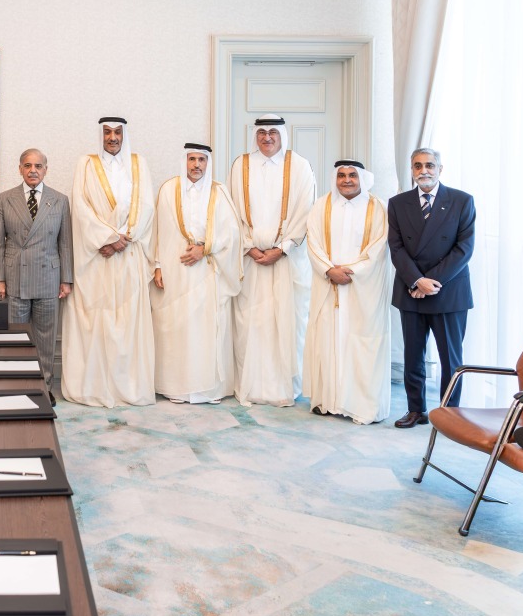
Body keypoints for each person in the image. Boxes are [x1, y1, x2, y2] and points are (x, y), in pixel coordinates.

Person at [61, 118, 156, 407]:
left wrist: (123, 238)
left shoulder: (139, 163)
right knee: (95, 320)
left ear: (125, 135)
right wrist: (106, 239)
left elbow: (147, 206)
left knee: (127, 321)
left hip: (128, 255)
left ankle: (127, 386)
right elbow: (80, 206)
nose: (112, 138)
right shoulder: (86, 164)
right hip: (95, 259)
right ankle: (93, 387)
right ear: (99, 135)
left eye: (117, 133)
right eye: (107, 132)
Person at [228, 115, 316, 407]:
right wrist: (250, 247)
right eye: (262, 133)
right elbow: (233, 211)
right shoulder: (241, 165)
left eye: (273, 133)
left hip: (287, 261)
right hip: (250, 260)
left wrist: (282, 248)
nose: (267, 138)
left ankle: (283, 389)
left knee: (286, 323)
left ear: (282, 135)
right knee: (250, 324)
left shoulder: (300, 167)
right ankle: (249, 386)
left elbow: (306, 212)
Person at [388, 147, 475, 428]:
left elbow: (464, 248)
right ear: (411, 170)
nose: (423, 170)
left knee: (451, 358)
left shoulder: (462, 201)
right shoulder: (398, 203)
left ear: (440, 169)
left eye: (429, 165)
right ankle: (416, 410)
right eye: (417, 166)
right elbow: (396, 247)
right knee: (413, 355)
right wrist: (416, 280)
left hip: (448, 291)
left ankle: (449, 414)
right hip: (411, 289)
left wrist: (430, 282)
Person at [151, 143, 242, 404]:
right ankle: (177, 387)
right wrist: (157, 265)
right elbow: (159, 230)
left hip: (207, 268)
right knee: (176, 327)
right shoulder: (169, 190)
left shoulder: (219, 192)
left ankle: (209, 389)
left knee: (207, 328)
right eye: (192, 159)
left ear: (208, 163)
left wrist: (205, 248)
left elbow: (232, 233)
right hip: (174, 268)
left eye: (202, 160)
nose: (197, 165)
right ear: (184, 161)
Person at [302, 160, 391, 424]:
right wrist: (329, 270)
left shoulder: (379, 208)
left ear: (362, 178)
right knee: (327, 339)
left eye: (352, 175)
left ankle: (362, 405)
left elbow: (378, 247)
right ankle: (326, 401)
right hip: (328, 285)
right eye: (341, 175)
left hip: (363, 288)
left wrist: (350, 271)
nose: (347, 180)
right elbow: (313, 243)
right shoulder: (321, 205)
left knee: (362, 342)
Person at [0, 149, 73, 392]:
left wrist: (66, 279)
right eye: (27, 165)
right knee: (15, 336)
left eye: (38, 165)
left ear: (46, 169)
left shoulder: (59, 199)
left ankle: (44, 388)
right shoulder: (5, 199)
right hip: (15, 278)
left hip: (49, 277)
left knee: (46, 338)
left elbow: (64, 242)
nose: (33, 170)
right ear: (20, 169)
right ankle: (16, 384)